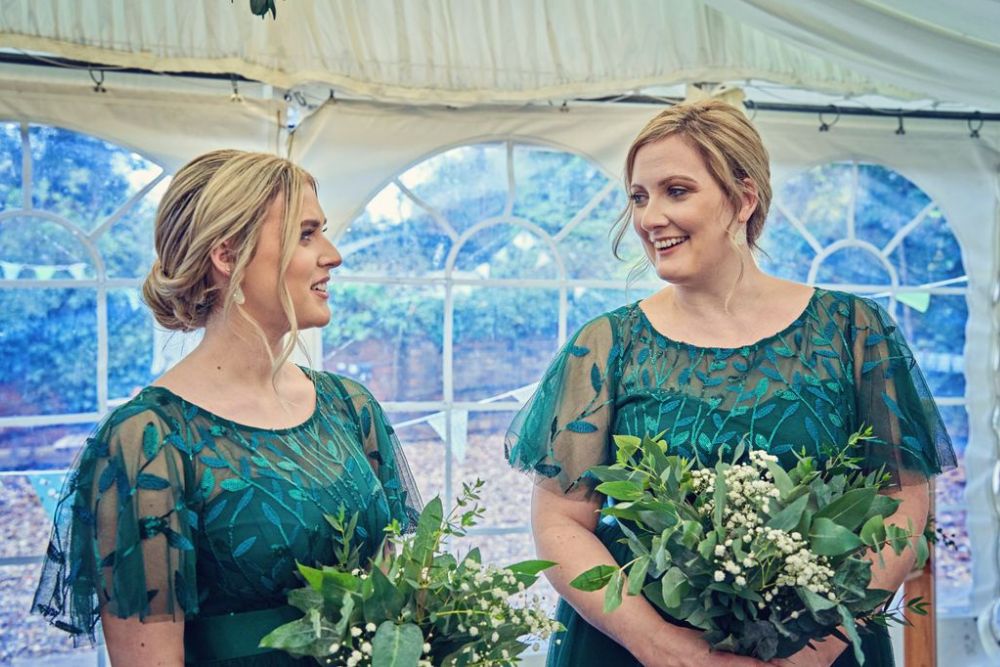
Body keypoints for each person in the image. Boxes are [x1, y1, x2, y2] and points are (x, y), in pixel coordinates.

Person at [506, 99, 955, 667]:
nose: (648, 218)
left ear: (744, 199)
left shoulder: (852, 331)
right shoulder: (605, 346)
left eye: (676, 191)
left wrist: (811, 652)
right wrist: (660, 645)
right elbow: (560, 520)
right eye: (639, 197)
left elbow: (902, 503)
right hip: (630, 650)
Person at [32, 150, 421, 666]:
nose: (333, 254)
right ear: (227, 255)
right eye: (306, 234)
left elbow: (399, 601)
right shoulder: (149, 440)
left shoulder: (350, 407)